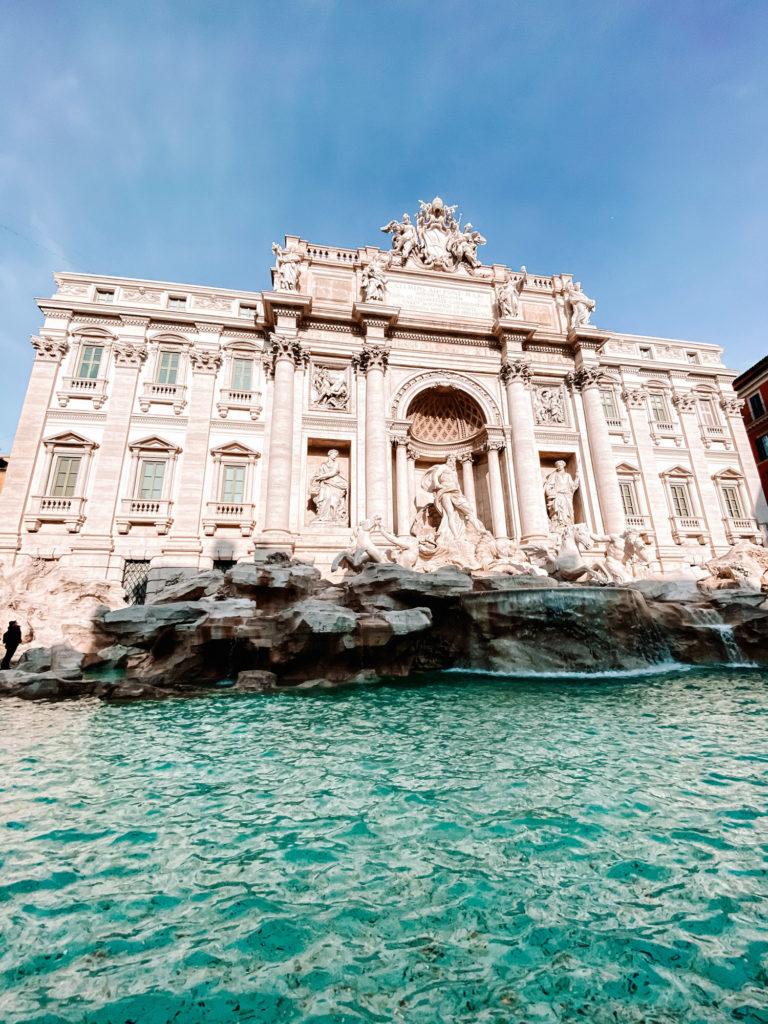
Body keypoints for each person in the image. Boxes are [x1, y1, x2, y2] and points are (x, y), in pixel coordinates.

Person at [309, 449, 348, 523]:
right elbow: (319, 473)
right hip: (324, 483)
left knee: (333, 500)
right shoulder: (323, 464)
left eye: (336, 456)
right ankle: (322, 516)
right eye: (334, 455)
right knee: (325, 498)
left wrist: (321, 477)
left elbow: (333, 472)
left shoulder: (336, 464)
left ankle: (332, 517)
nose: (335, 457)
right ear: (329, 454)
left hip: (334, 484)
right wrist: (316, 478)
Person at [544, 460, 580, 528]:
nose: (559, 467)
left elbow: (573, 487)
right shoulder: (554, 475)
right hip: (558, 495)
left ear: (564, 465)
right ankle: (559, 525)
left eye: (560, 465)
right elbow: (549, 485)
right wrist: (552, 492)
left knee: (568, 511)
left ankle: (568, 525)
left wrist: (577, 477)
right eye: (558, 466)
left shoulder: (567, 475)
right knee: (560, 509)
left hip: (567, 495)